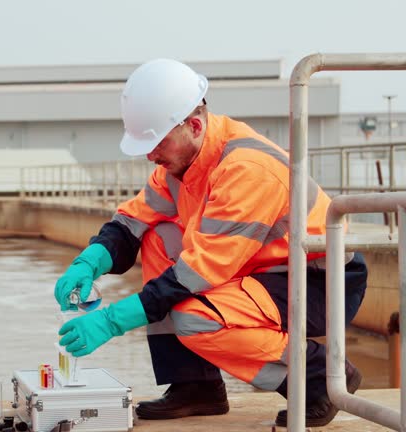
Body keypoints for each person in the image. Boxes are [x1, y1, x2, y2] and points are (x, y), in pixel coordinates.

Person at [54, 58, 368, 427]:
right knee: (157, 235)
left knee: (195, 317)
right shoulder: (181, 165)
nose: (150, 155)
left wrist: (112, 321)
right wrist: (90, 261)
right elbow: (133, 222)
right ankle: (195, 386)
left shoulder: (246, 169)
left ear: (194, 125)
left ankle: (317, 376)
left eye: (156, 143)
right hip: (263, 268)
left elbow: (196, 274)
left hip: (317, 280)